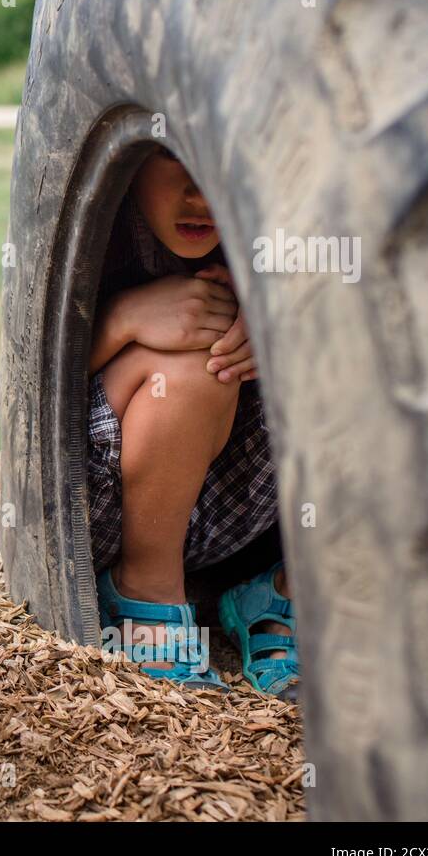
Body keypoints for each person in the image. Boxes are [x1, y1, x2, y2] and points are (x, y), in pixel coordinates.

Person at [88, 145, 299, 700]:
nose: (199, 194)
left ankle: (283, 591)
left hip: (239, 512)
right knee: (197, 366)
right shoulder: (93, 229)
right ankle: (146, 590)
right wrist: (124, 319)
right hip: (103, 501)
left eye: (215, 160)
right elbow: (28, 380)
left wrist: (276, 326)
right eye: (175, 157)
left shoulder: (280, 227)